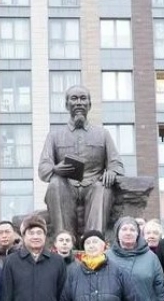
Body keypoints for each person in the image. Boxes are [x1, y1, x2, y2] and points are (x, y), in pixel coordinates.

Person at [39, 84, 125, 239]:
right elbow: (44, 168)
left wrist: (112, 172)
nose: (78, 102)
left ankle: (93, 240)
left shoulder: (103, 134)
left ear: (89, 105)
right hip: (67, 185)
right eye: (74, 99)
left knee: (103, 187)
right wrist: (55, 169)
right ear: (67, 105)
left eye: (83, 98)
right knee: (55, 183)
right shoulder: (54, 135)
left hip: (93, 184)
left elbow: (116, 163)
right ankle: (64, 240)